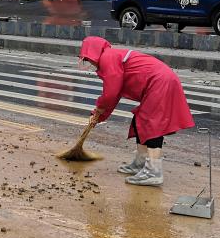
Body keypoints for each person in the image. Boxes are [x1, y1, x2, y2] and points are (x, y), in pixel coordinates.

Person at [79, 36, 194, 186]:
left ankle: (154, 172)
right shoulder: (110, 58)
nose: (88, 62)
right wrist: (100, 116)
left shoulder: (108, 58)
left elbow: (111, 93)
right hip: (159, 81)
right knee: (140, 120)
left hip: (159, 82)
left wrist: (99, 109)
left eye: (87, 58)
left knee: (151, 124)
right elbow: (115, 94)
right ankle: (140, 163)